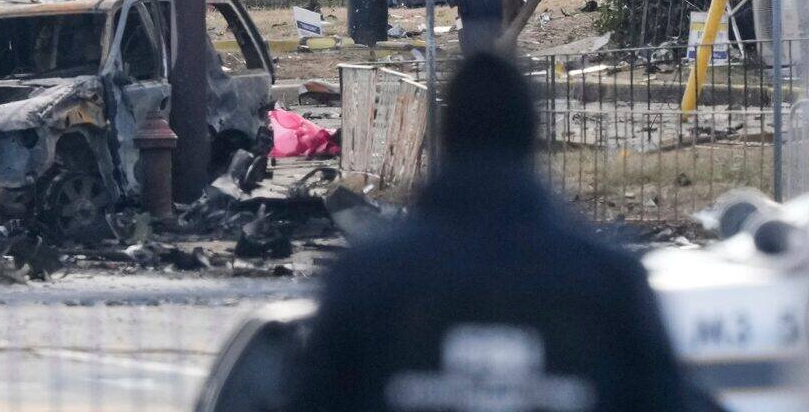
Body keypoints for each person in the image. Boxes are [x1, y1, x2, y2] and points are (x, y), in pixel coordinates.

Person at [282, 52, 690, 412]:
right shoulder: (610, 282)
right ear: (530, 137)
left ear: (446, 138)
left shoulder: (365, 279)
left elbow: (315, 396)